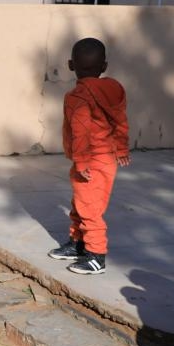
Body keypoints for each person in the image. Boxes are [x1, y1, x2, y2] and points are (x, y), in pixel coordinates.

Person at [47, 37, 130, 275]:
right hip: (107, 159)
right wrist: (122, 148)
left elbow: (80, 131)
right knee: (82, 203)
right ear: (103, 66)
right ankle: (78, 244)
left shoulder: (77, 97)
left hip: (90, 161)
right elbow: (121, 122)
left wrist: (82, 160)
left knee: (90, 209)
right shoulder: (114, 91)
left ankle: (96, 256)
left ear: (71, 65)